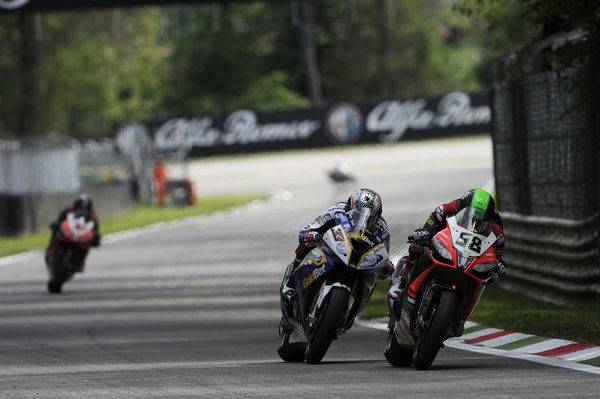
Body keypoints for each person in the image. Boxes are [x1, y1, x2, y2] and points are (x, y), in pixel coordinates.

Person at [387, 188, 506, 335]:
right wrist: (425, 233)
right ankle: (402, 280)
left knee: (486, 278)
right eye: (472, 212)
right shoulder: (447, 208)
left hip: (469, 257)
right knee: (417, 246)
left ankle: (460, 318)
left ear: (489, 216)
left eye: (481, 216)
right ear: (462, 207)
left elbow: (498, 251)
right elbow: (431, 223)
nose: (476, 218)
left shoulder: (496, 228)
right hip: (444, 242)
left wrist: (499, 263)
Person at [280, 188, 393, 330]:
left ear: (377, 215)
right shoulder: (337, 210)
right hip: (335, 247)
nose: (364, 218)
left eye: (369, 216)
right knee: (305, 246)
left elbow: (384, 252)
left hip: (358, 259)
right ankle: (292, 276)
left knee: (373, 278)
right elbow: (313, 226)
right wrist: (310, 234)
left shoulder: (382, 228)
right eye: (358, 212)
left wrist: (385, 265)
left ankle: (350, 312)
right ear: (350, 207)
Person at [45, 194, 101, 272]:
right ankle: (52, 253)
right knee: (56, 234)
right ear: (77, 204)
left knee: (87, 244)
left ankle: (80, 262)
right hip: (68, 232)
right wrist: (56, 224)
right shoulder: (69, 210)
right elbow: (59, 219)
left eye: (86, 206)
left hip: (80, 236)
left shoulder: (92, 215)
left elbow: (96, 229)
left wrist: (96, 238)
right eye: (81, 204)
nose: (83, 208)